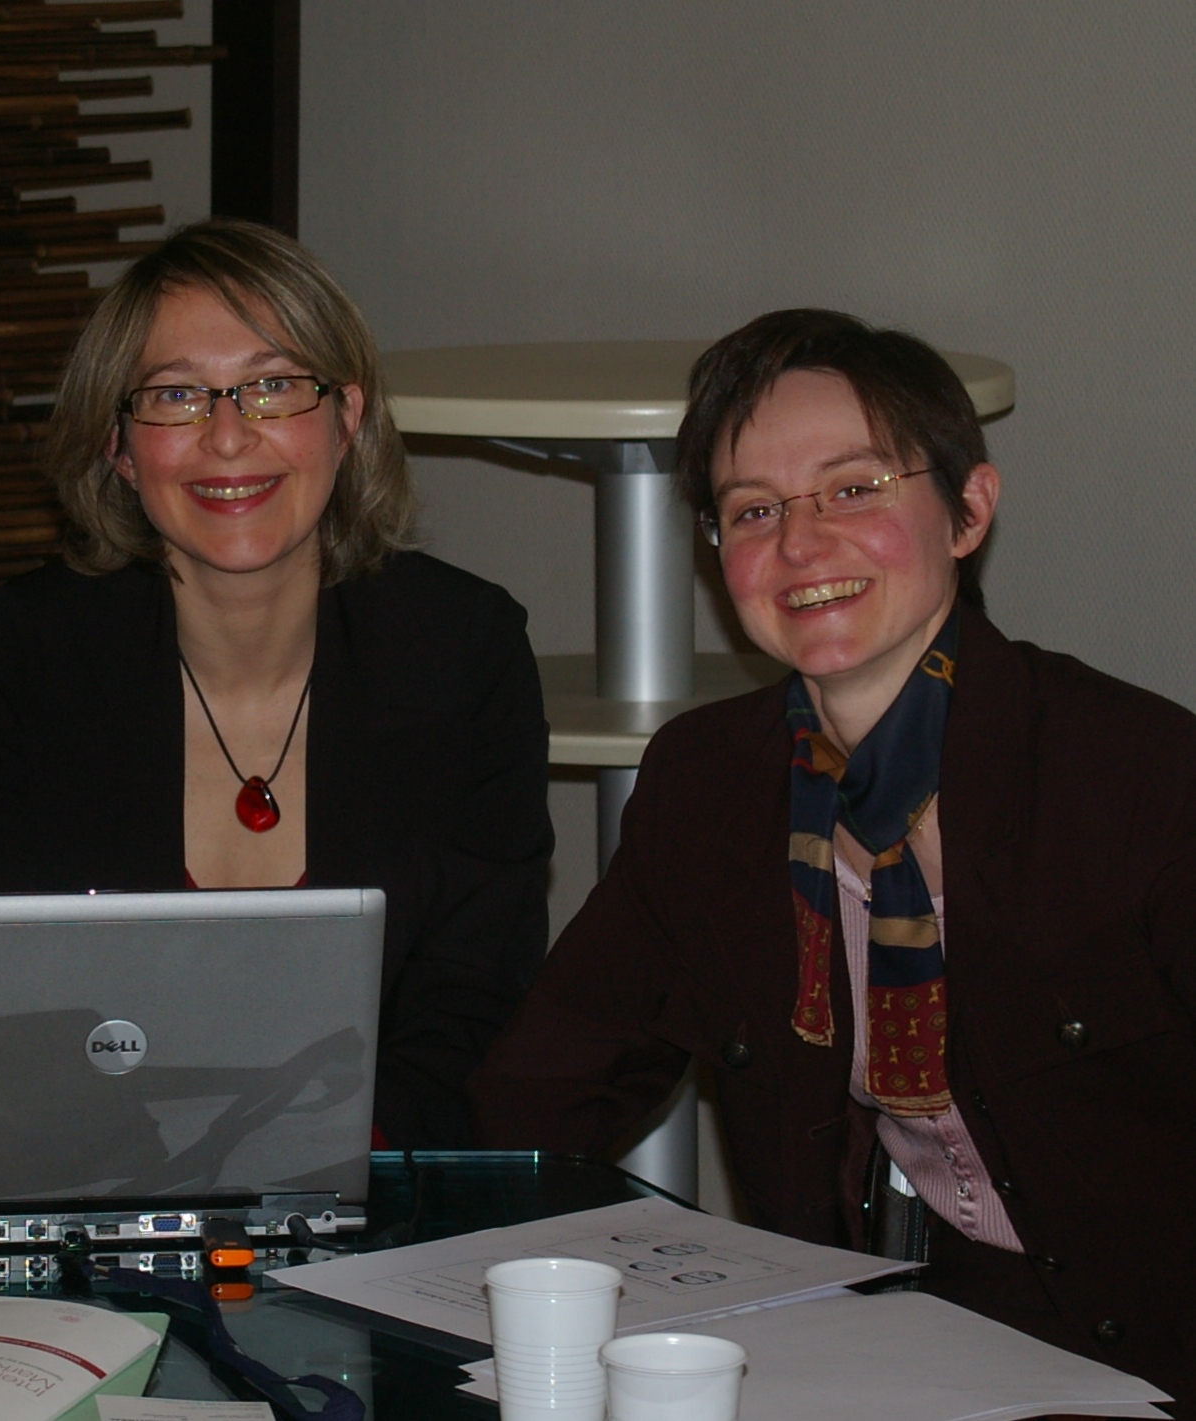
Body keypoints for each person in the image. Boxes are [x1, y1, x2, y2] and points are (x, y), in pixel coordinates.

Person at [468, 308, 1196, 1401]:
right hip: (887, 1343)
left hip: (1153, 1353)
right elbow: (542, 1091)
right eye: (752, 509)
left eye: (852, 488)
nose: (800, 545)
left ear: (968, 509)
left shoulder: (1138, 776)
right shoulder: (710, 783)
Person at [0, 219, 553, 1148]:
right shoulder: (26, 653)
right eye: (175, 395)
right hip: (96, 1177)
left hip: (384, 1179)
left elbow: (472, 1004)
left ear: (346, 418)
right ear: (118, 445)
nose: (226, 436)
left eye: (272, 386)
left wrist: (334, 1161)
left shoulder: (464, 648)